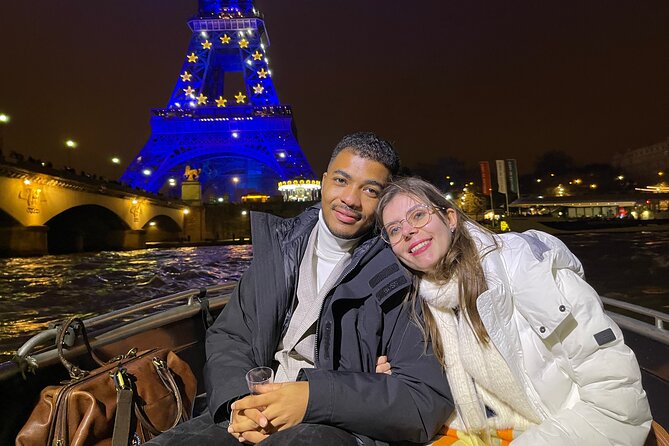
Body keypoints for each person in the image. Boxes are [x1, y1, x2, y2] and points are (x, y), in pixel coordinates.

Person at [147, 133, 452, 446]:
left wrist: (313, 397)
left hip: (338, 423)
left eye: (370, 190)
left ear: (385, 200)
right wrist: (237, 402)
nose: (350, 198)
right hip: (256, 406)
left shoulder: (398, 271)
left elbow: (420, 398)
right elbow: (231, 335)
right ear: (323, 181)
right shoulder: (277, 249)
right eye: (341, 180)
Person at [375, 177, 652, 445]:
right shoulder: (420, 302)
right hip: (471, 432)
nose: (408, 231)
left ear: (450, 218)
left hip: (557, 431)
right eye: (394, 230)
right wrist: (397, 380)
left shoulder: (527, 268)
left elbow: (618, 403)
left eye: (418, 215)